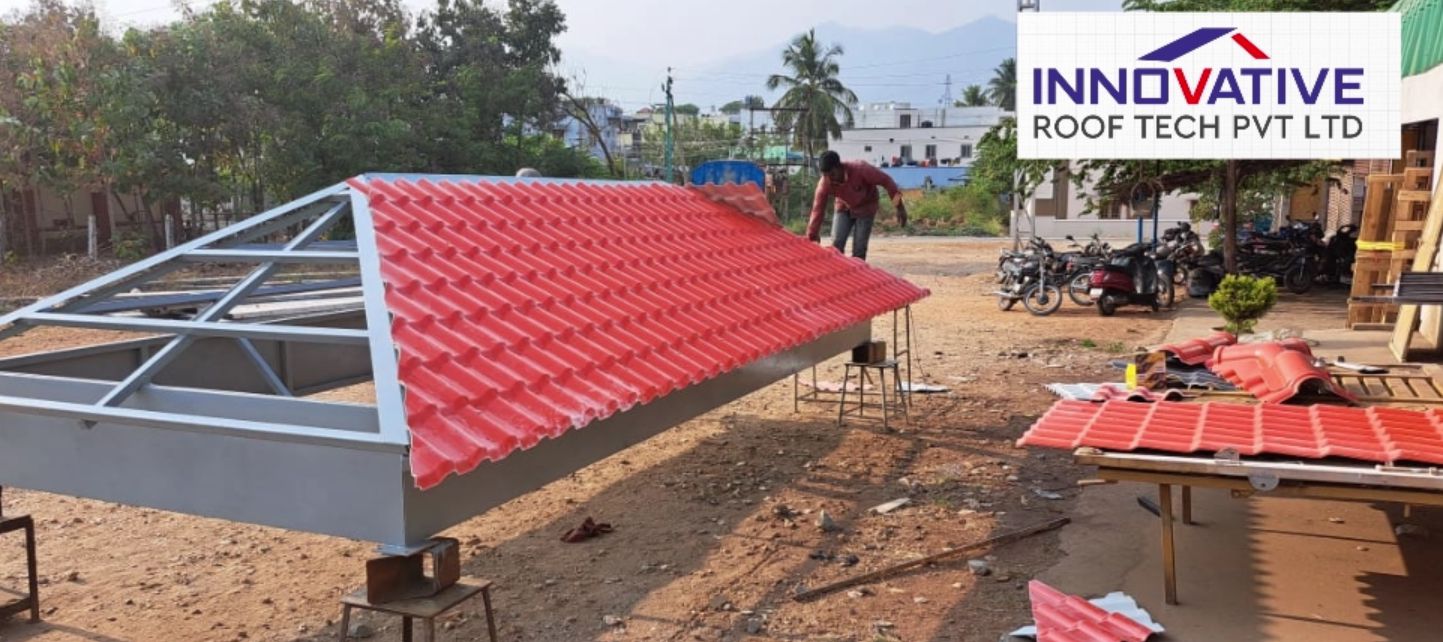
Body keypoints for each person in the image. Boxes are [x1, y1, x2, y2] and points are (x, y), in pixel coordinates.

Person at [806, 151, 907, 261]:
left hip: (866, 206)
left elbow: (887, 181)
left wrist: (900, 207)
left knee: (859, 249)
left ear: (840, 167)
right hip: (843, 206)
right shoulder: (824, 183)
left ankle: (857, 270)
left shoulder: (861, 169)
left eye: (832, 174)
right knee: (836, 245)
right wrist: (812, 235)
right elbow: (817, 209)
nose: (830, 179)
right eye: (826, 175)